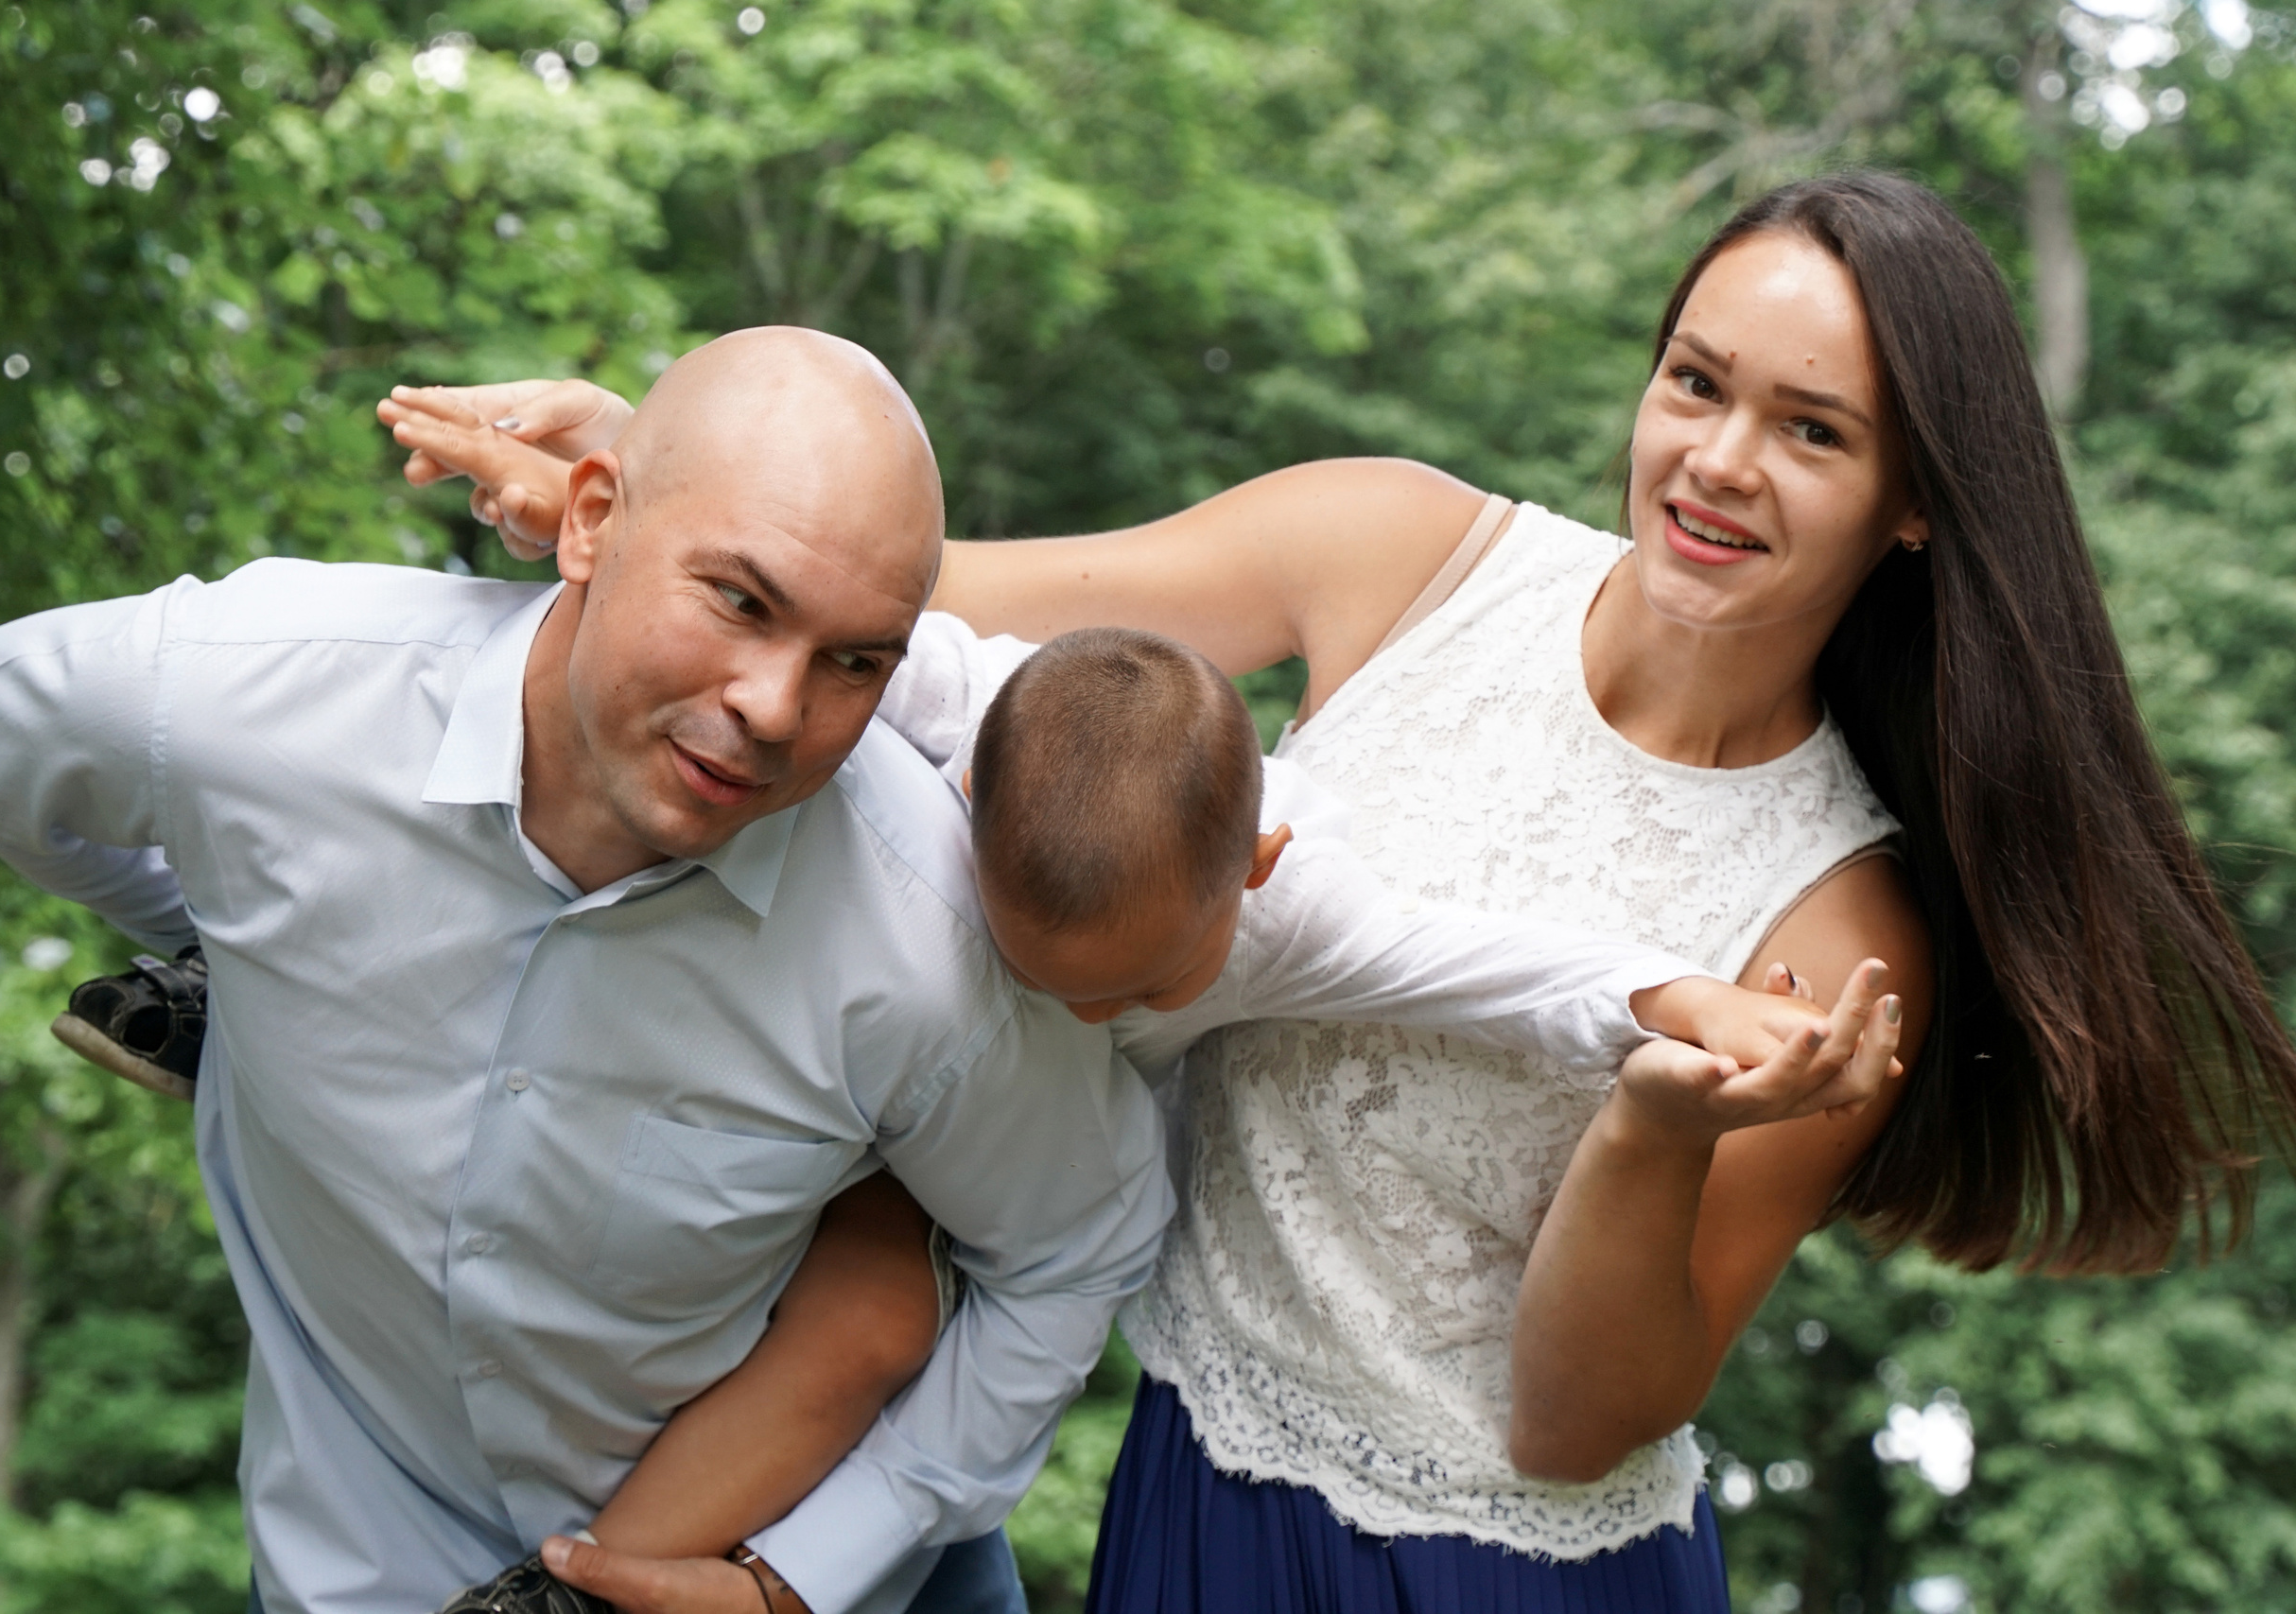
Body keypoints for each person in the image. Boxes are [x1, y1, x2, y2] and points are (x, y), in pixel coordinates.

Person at [381, 172, 2296, 1612]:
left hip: (1505, 1567)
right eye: (1694, 382)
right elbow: (929, 597)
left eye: (1809, 429)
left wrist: (1643, 1123)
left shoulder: (1835, 934)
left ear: (1907, 502)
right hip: (1195, 1480)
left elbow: (1572, 1419)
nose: (1715, 461)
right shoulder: (1397, 547)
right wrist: (649, 449)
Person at [0, 327, 1181, 1614]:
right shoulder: (259, 700)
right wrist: (222, 937)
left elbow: (1080, 1244)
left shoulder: (922, 942)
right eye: (740, 601)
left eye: (856, 661)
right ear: (591, 520)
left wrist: (798, 1580)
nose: (778, 708)